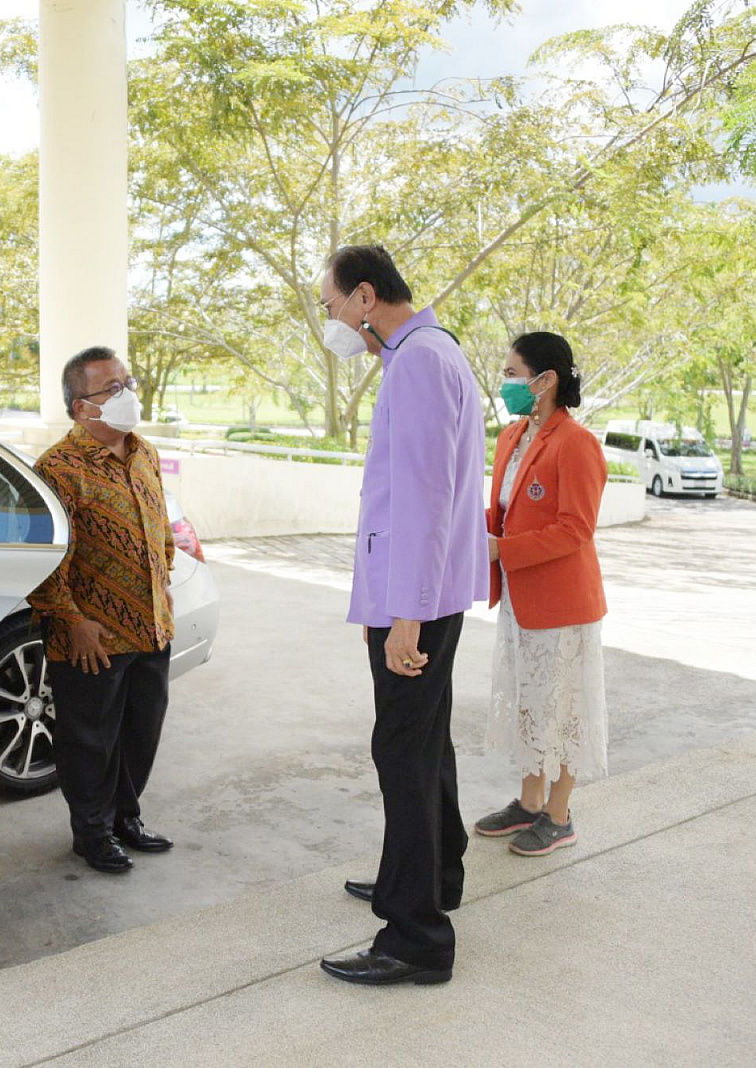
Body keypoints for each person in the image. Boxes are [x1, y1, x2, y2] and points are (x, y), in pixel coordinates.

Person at [315, 246, 489, 987]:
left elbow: (422, 499)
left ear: (365, 297)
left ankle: (416, 936)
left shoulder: (418, 362)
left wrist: (404, 617)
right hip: (423, 594)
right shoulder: (430, 350)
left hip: (420, 601)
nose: (329, 321)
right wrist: (385, 604)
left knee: (403, 752)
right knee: (426, 741)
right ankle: (429, 875)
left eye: (330, 306)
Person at [30, 347, 177, 875]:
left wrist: (163, 580)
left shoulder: (144, 453)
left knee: (141, 734)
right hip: (92, 637)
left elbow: (159, 527)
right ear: (80, 407)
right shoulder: (56, 469)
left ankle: (125, 819)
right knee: (89, 743)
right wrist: (72, 622)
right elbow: (44, 560)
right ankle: (91, 834)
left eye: (127, 382)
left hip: (151, 626)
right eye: (112, 388)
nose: (127, 394)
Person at [479, 331, 608, 856]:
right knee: (530, 702)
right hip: (520, 600)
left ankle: (559, 815)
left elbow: (576, 529)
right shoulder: (512, 437)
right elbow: (505, 511)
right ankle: (529, 803)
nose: (505, 383)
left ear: (546, 380)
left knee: (564, 709)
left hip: (563, 604)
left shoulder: (576, 443)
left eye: (513, 373)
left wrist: (502, 550)